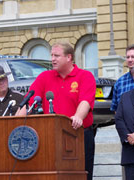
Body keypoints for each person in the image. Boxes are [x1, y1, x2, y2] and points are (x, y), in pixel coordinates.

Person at [18, 42, 96, 180]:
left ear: (69, 57)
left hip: (79, 134)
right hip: (52, 138)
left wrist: (78, 117)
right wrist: (15, 122)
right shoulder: (45, 77)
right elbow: (29, 101)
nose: (52, 59)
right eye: (51, 55)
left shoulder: (85, 76)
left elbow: (85, 101)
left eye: (57, 55)